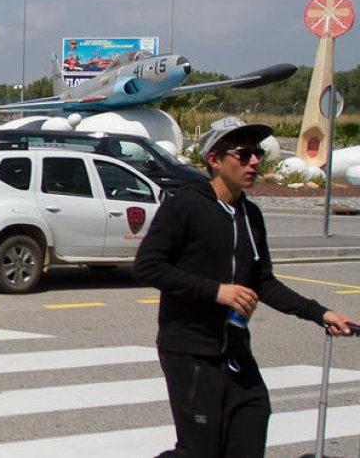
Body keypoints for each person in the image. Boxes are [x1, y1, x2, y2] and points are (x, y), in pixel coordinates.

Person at [134, 116, 356, 457]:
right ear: (215, 160)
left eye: (257, 154)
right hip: (190, 350)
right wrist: (217, 291)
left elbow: (263, 281)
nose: (254, 161)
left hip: (235, 349)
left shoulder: (250, 215)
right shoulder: (185, 206)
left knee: (251, 423)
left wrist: (320, 313)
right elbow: (148, 266)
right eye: (243, 154)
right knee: (200, 450)